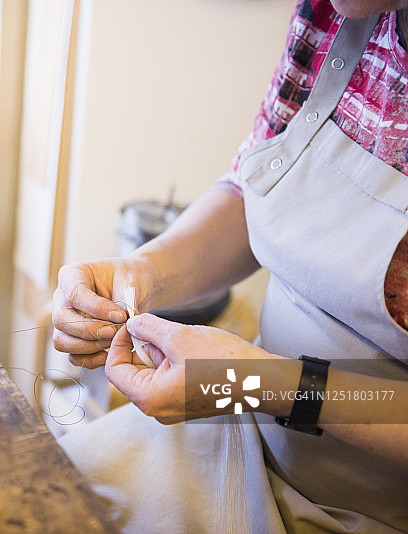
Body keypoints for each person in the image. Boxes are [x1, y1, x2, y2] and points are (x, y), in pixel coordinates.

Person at [52, 1, 408, 532]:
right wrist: (143, 272)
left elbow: (260, 384)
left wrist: (259, 382)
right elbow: (257, 191)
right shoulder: (330, 13)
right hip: (246, 429)